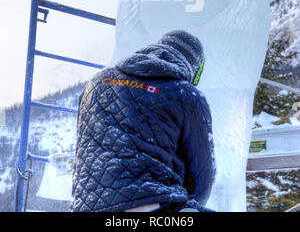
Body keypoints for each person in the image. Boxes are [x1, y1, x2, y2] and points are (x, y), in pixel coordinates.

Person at [69, 30, 216, 212]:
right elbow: (200, 182)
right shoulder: (187, 94)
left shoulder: (96, 82)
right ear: (194, 68)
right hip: (153, 205)